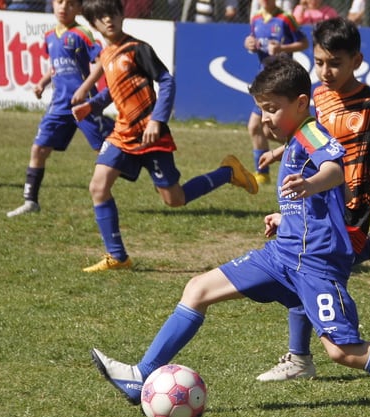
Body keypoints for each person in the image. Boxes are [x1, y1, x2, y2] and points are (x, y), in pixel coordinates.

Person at [89, 55, 370, 417]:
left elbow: (335, 170)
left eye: (272, 109)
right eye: (261, 109)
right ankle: (142, 374)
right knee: (198, 289)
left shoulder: (311, 132)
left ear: (301, 104)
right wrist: (284, 215)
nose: (265, 117)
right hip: (282, 254)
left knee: (342, 351)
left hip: (315, 263)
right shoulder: (294, 138)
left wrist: (309, 184)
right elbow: (310, 197)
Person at [255, 17, 370, 381]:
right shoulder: (314, 95)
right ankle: (300, 358)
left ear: (356, 61)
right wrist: (280, 154)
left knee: (313, 269)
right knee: (305, 267)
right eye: (319, 62)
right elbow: (304, 137)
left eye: (335, 63)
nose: (325, 71)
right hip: (315, 200)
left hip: (352, 202)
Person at [73, 0, 259, 272]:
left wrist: (156, 121)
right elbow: (116, 90)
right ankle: (118, 256)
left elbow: (167, 80)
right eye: (101, 17)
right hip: (122, 133)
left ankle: (227, 172)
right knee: (98, 187)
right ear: (93, 24)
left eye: (112, 13)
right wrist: (93, 105)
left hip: (151, 136)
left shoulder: (138, 49)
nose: (108, 20)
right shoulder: (106, 55)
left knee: (175, 199)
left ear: (121, 14)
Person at [6, 0, 114, 217]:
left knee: (104, 149)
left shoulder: (83, 33)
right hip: (59, 105)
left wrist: (84, 89)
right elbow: (56, 66)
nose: (63, 7)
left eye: (70, 4)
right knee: (39, 149)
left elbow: (102, 62)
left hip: (82, 104)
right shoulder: (49, 36)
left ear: (79, 9)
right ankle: (30, 201)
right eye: (59, 2)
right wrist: (42, 83)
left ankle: (141, 161)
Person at [243, 0, 308, 184]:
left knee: (256, 126)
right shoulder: (255, 18)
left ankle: (263, 172)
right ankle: (265, 172)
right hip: (264, 80)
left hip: (282, 81)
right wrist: (248, 43)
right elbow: (252, 40)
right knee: (266, 130)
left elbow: (303, 42)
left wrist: (282, 48)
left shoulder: (285, 18)